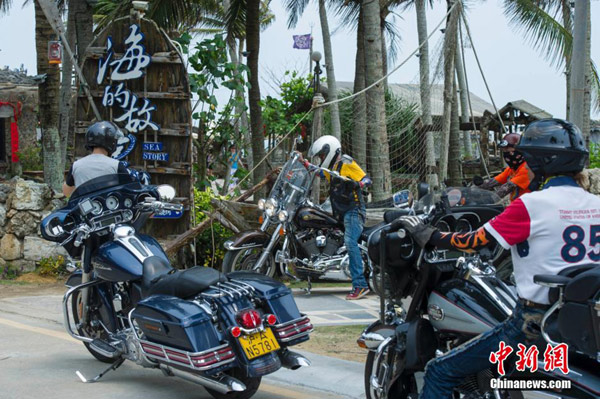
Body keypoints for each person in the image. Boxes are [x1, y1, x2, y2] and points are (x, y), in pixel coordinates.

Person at [397, 119, 597, 399]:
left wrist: (428, 234)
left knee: (439, 371)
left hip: (535, 323)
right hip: (587, 320)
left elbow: (472, 241)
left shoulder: (531, 205)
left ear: (539, 162)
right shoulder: (595, 204)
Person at [301, 135, 373, 300]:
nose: (321, 158)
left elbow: (366, 179)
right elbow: (320, 172)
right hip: (341, 211)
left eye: (322, 155)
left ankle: (360, 285)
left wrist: (359, 184)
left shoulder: (346, 163)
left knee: (350, 242)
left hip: (353, 211)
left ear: (330, 151)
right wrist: (305, 164)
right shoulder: (332, 168)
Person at [63, 121, 136, 197]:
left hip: (81, 208)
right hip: (107, 207)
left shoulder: (76, 165)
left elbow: (67, 192)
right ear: (111, 141)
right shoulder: (116, 165)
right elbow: (129, 190)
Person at [479, 132, 531, 201]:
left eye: (507, 149)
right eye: (503, 150)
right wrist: (474, 188)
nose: (506, 153)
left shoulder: (527, 168)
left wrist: (488, 200)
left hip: (527, 208)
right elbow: (492, 182)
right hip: (517, 206)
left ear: (519, 150)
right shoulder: (511, 169)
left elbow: (506, 189)